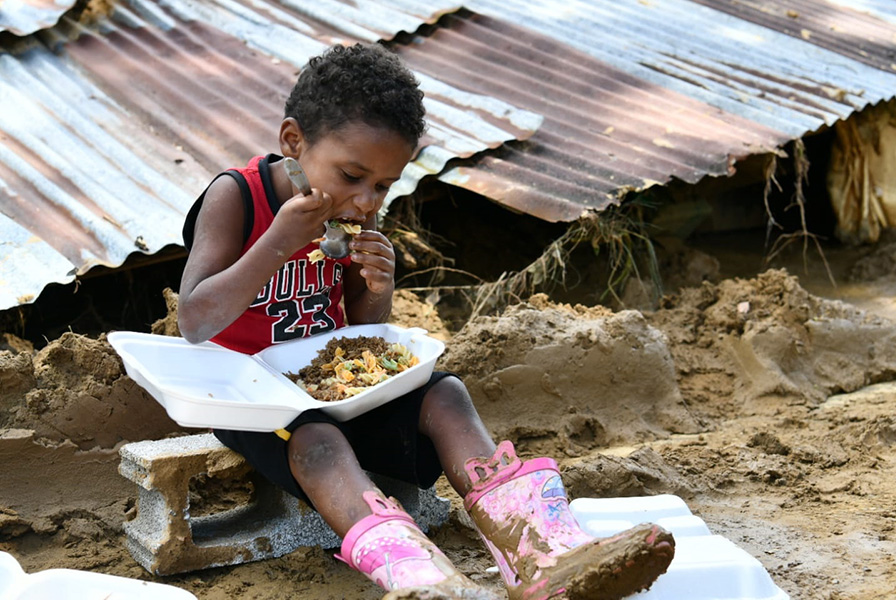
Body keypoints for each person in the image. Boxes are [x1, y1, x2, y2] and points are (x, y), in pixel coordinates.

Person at [177, 42, 674, 600]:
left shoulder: (345, 218)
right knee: (318, 441)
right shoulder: (237, 197)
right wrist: (277, 243)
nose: (366, 202)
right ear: (293, 142)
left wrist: (376, 290)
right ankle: (423, 579)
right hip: (250, 399)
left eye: (383, 186)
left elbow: (359, 335)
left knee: (447, 395)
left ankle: (544, 553)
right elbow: (194, 318)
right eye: (352, 175)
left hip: (329, 388)